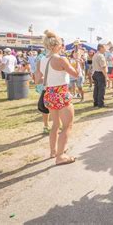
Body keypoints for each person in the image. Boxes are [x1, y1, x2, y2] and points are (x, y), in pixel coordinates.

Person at [36, 30, 80, 165]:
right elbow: (76, 75)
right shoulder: (61, 59)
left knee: (55, 125)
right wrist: (77, 60)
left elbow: (38, 79)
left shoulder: (41, 61)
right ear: (56, 46)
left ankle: (53, 151)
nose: (62, 47)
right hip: (61, 93)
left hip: (49, 93)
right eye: (61, 45)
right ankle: (60, 156)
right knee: (67, 126)